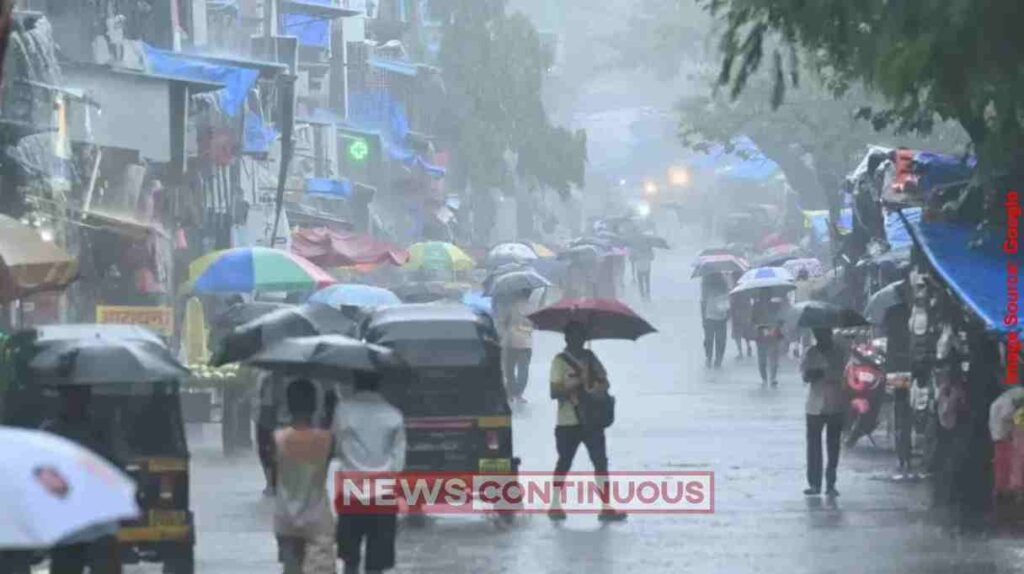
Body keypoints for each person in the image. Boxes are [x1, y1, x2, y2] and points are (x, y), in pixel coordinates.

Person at [548, 322, 627, 522]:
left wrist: (594, 384)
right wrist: (577, 381)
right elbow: (554, 392)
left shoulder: (590, 358)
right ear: (567, 338)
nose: (579, 340)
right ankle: (555, 504)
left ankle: (606, 505)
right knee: (564, 462)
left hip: (592, 420)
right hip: (568, 421)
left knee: (600, 463)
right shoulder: (560, 361)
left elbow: (605, 382)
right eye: (575, 336)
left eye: (582, 336)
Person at [42, 386, 122, 574]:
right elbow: (118, 465)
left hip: (69, 524)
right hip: (98, 522)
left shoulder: (51, 430)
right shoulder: (102, 429)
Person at [333, 371, 405, 574]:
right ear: (379, 384)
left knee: (350, 560)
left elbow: (337, 448)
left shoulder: (342, 410)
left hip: (350, 493)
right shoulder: (394, 415)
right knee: (377, 565)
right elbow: (398, 463)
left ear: (355, 383)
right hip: (383, 495)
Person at [274, 379, 336, 574]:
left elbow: (274, 472)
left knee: (291, 568)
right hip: (316, 517)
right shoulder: (326, 440)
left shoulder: (278, 438)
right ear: (314, 405)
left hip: (285, 515)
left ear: (288, 405)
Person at [801, 328, 848, 497]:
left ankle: (830, 483)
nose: (822, 338)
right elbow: (805, 377)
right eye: (818, 335)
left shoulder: (839, 353)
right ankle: (814, 483)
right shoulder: (810, 353)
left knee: (833, 446)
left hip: (836, 403)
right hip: (815, 405)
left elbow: (844, 373)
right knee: (813, 447)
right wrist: (816, 372)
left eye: (824, 334)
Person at [496, 289, 535, 404]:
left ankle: (512, 393)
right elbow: (536, 324)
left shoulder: (511, 307)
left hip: (511, 343)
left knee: (510, 370)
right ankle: (518, 393)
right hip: (525, 344)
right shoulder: (533, 308)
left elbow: (503, 322)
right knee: (523, 370)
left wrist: (502, 334)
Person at [752, 290, 785, 386]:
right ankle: (769, 378)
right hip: (766, 333)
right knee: (769, 357)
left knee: (768, 357)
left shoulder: (758, 306)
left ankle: (768, 378)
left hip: (768, 333)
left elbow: (752, 320)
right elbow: (753, 320)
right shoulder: (774, 306)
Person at [700, 273, 731, 368]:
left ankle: (709, 357)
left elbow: (703, 301)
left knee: (709, 339)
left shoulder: (705, 283)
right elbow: (728, 299)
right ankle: (718, 359)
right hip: (721, 316)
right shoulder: (724, 282)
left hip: (710, 316)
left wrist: (703, 317)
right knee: (720, 340)